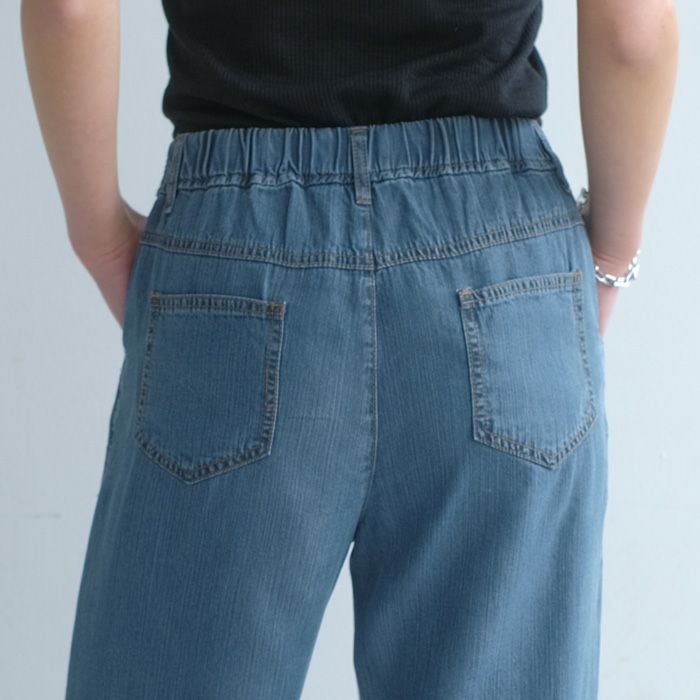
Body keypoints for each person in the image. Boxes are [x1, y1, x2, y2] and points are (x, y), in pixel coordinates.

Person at [21, 1, 678, 698]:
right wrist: (612, 252)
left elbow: (68, 9)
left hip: (237, 250)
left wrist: (98, 237)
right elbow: (634, 32)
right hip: (501, 262)